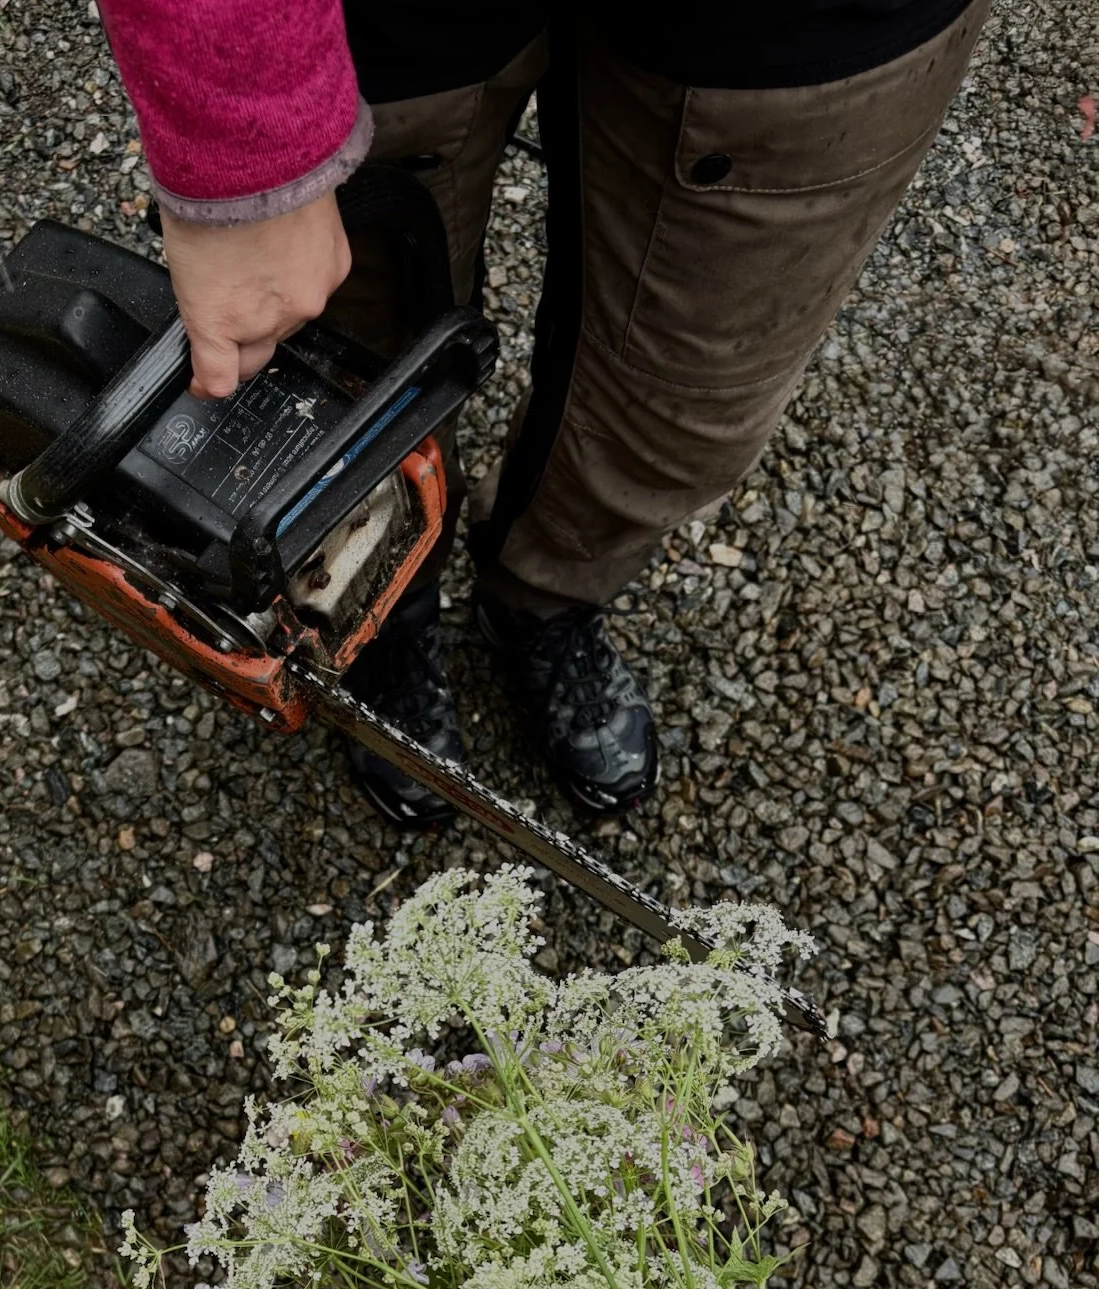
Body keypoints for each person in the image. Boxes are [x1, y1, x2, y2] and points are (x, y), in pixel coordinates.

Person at [91, 0, 991, 828]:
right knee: (342, 384)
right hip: (373, 30)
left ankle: (542, 601)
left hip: (811, 29)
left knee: (685, 406)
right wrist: (244, 136)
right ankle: (379, 606)